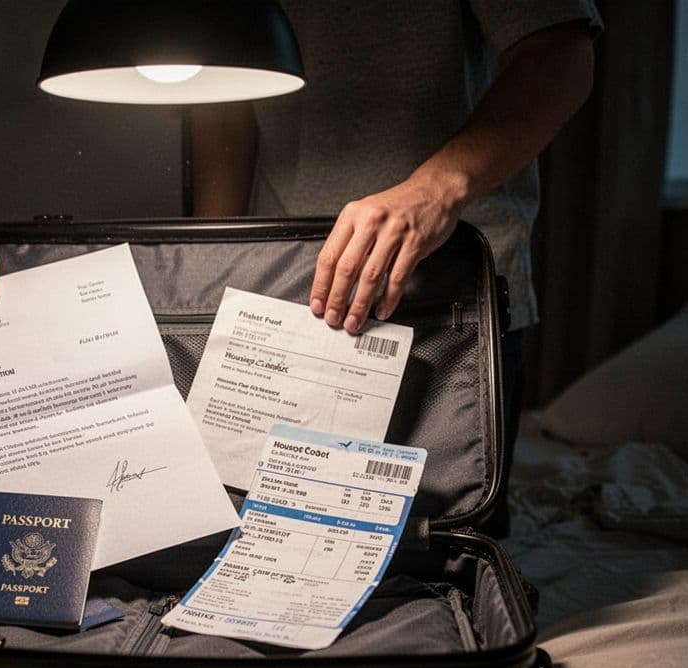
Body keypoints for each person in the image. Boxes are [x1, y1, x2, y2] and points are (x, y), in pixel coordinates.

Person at [192, 1, 601, 536]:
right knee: (262, 544)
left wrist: (432, 194)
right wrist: (207, 272)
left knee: (436, 555)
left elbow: (562, 56)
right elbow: (224, 107)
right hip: (282, 296)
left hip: (449, 299)